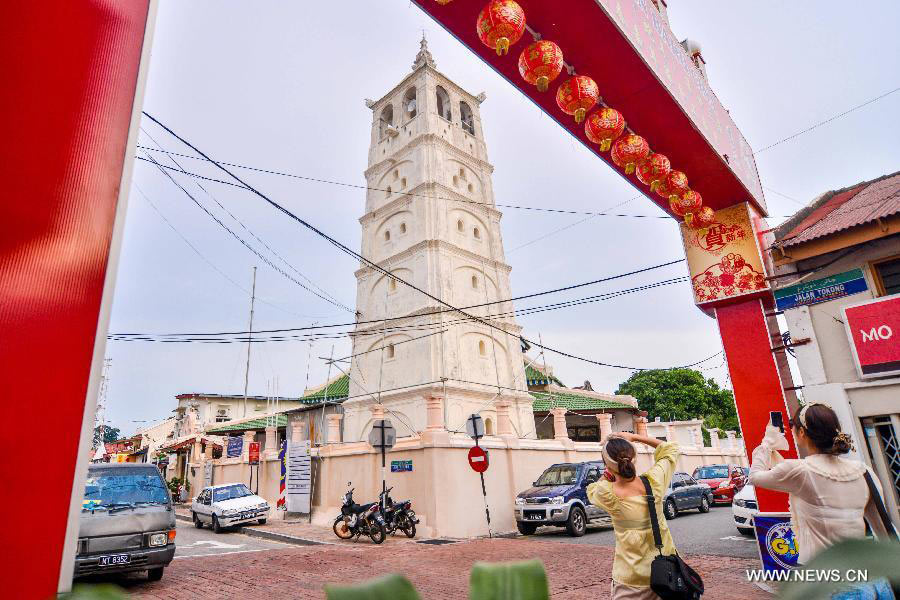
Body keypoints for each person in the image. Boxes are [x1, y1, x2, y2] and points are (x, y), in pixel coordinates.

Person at [749, 402, 892, 565]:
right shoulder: (864, 472)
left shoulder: (800, 471)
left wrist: (768, 441)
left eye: (792, 426)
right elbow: (884, 532)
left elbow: (755, 476)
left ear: (801, 432)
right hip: (861, 574)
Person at [587, 432, 679, 600]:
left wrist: (608, 474)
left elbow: (592, 489)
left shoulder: (607, 494)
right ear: (634, 458)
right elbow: (669, 448)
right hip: (666, 574)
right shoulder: (654, 483)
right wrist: (635, 437)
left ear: (607, 464)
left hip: (630, 579)